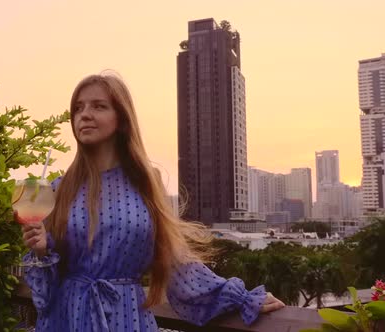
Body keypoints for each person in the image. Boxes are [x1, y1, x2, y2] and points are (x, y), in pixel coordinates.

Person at [16, 73, 285, 332]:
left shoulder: (145, 185)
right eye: (78, 108)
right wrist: (41, 250)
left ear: (121, 119)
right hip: (68, 317)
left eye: (98, 106)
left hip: (126, 316)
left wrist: (242, 299)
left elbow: (175, 260)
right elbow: (45, 292)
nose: (84, 114)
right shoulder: (59, 189)